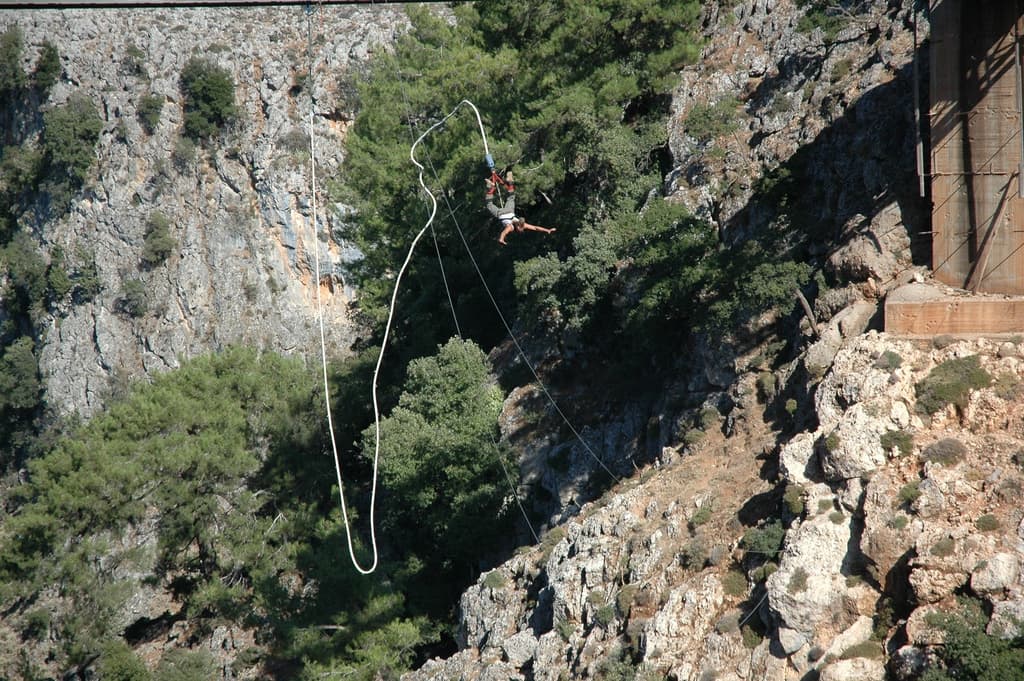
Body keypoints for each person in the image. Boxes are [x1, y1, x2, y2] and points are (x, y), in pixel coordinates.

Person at [485, 171, 555, 245]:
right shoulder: (511, 227)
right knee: (489, 204)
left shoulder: (522, 225)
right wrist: (501, 239)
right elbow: (504, 232)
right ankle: (491, 188)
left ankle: (510, 182)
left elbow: (535, 228)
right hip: (500, 213)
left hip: (510, 211)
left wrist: (547, 230)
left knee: (511, 197)